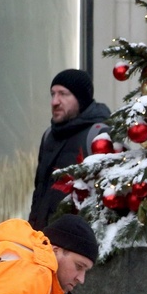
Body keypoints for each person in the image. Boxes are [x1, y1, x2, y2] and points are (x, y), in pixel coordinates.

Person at [28, 69, 111, 229]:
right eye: (53, 94)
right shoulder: (49, 136)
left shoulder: (98, 134)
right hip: (42, 241)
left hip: (76, 245)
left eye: (63, 94)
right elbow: (39, 192)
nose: (55, 101)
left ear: (81, 99)